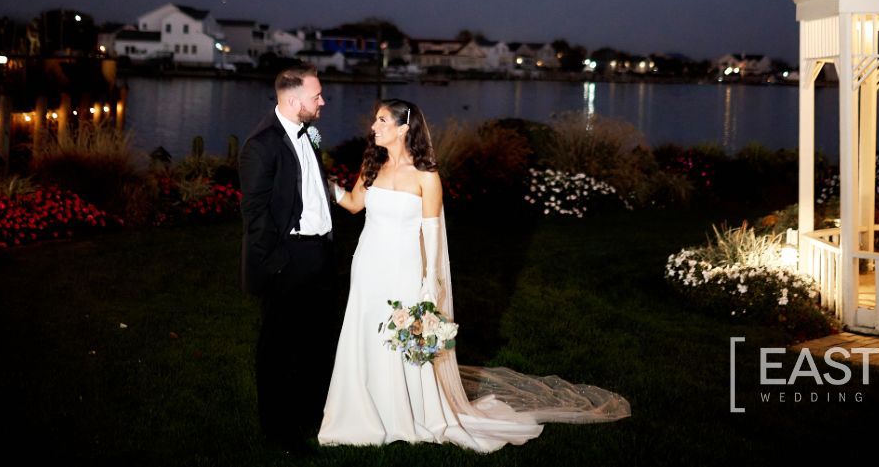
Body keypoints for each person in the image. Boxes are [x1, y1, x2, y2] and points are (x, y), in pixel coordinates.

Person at [318, 98, 629, 451]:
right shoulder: (371, 164)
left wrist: (430, 286)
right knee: (364, 332)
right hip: (367, 266)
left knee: (398, 339)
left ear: (405, 128)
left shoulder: (426, 176)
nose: (374, 127)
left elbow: (433, 236)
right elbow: (354, 204)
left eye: (382, 120)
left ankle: (408, 412)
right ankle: (361, 408)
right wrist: (322, 183)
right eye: (375, 120)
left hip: (402, 269)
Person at [238, 65, 336, 453]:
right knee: (279, 346)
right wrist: (278, 262)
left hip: (319, 253)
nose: (323, 101)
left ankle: (310, 416)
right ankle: (278, 431)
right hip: (288, 258)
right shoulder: (261, 145)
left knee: (315, 340)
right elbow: (255, 215)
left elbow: (307, 187)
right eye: (317, 96)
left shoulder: (308, 131)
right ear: (294, 101)